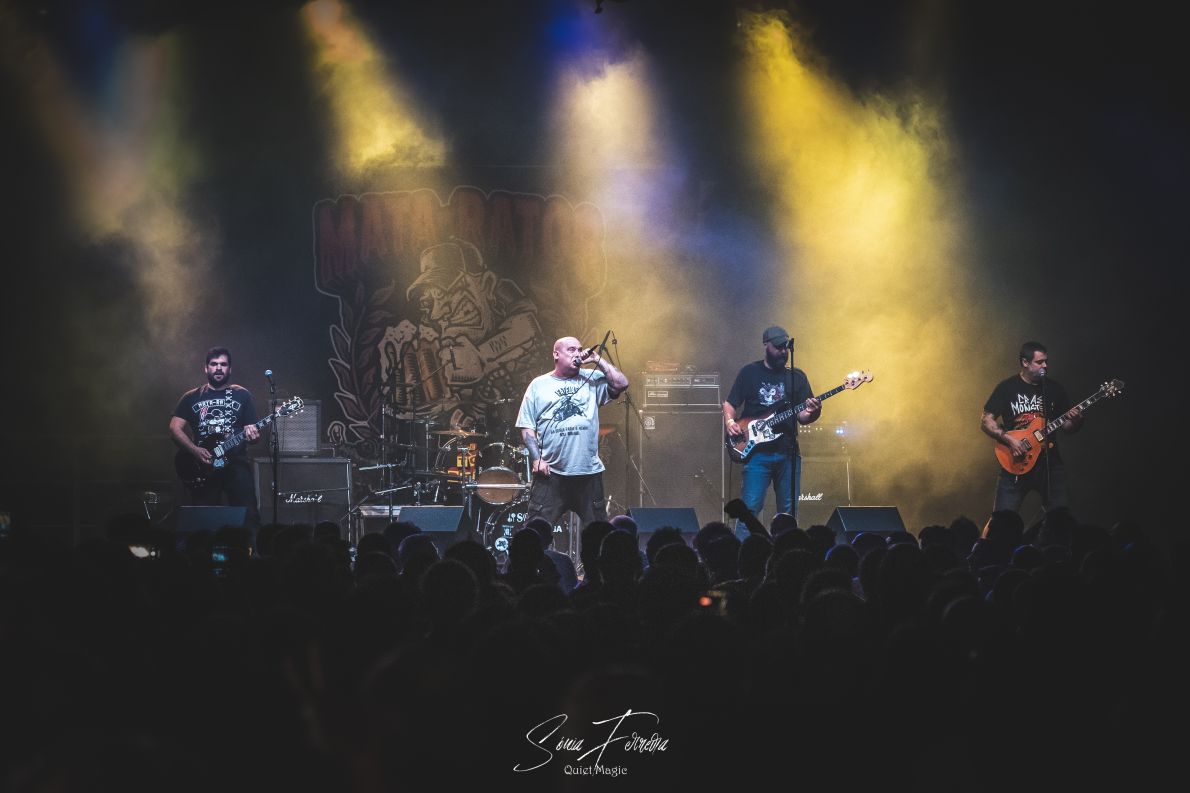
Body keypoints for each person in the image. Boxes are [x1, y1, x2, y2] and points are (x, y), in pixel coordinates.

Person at [515, 336, 628, 529]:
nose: (577, 353)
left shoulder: (591, 378)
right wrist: (536, 459)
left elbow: (621, 384)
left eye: (579, 349)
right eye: (571, 349)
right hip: (551, 474)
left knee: (600, 532)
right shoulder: (538, 385)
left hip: (588, 473)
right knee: (535, 531)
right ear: (556, 354)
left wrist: (597, 359)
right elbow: (526, 426)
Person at [723, 326, 821, 540]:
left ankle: (787, 552)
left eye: (785, 347)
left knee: (789, 512)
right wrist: (730, 421)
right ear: (766, 345)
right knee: (749, 510)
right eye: (778, 347)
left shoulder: (796, 377)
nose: (783, 351)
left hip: (787, 452)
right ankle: (743, 553)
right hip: (756, 454)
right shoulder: (749, 373)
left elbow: (803, 417)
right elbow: (730, 403)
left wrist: (814, 411)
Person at [981, 340, 1082, 516]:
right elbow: (986, 420)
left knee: (1060, 517)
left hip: (1049, 464)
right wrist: (1009, 440)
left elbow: (1067, 427)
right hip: (1015, 461)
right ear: (1025, 362)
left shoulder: (1054, 389)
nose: (1045, 366)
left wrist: (1076, 420)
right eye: (1039, 362)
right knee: (1002, 518)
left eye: (1046, 361)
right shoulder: (1007, 388)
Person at [170, 347, 260, 525]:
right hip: (204, 466)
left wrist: (253, 435)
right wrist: (194, 450)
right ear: (206, 368)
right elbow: (174, 428)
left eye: (223, 364)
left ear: (230, 369)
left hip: (236, 464)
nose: (219, 368)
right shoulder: (191, 397)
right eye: (214, 364)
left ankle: (251, 543)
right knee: (203, 520)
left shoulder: (242, 394)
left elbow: (254, 435)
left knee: (248, 515)